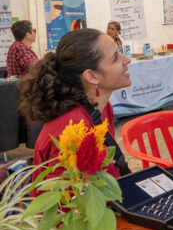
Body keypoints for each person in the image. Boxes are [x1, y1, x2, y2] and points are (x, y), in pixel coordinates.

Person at [18, 29, 132, 180]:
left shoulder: (102, 108)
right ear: (91, 76)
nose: (127, 60)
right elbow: (71, 199)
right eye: (115, 57)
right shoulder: (72, 129)